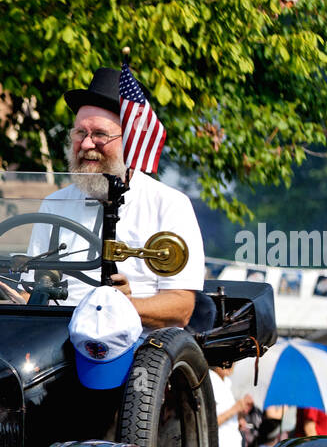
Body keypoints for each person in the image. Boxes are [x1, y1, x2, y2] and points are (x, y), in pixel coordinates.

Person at [24, 69, 204, 331]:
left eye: (99, 134)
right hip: (57, 339)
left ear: (131, 141)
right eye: (79, 133)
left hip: (140, 346)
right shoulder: (55, 203)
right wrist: (7, 300)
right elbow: (32, 291)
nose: (86, 144)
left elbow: (181, 307)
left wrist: (124, 306)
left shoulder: (168, 204)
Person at [210, 364, 253, 447]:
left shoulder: (226, 383)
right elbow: (210, 422)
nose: (230, 365)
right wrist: (235, 409)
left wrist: (240, 416)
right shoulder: (211, 380)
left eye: (233, 361)